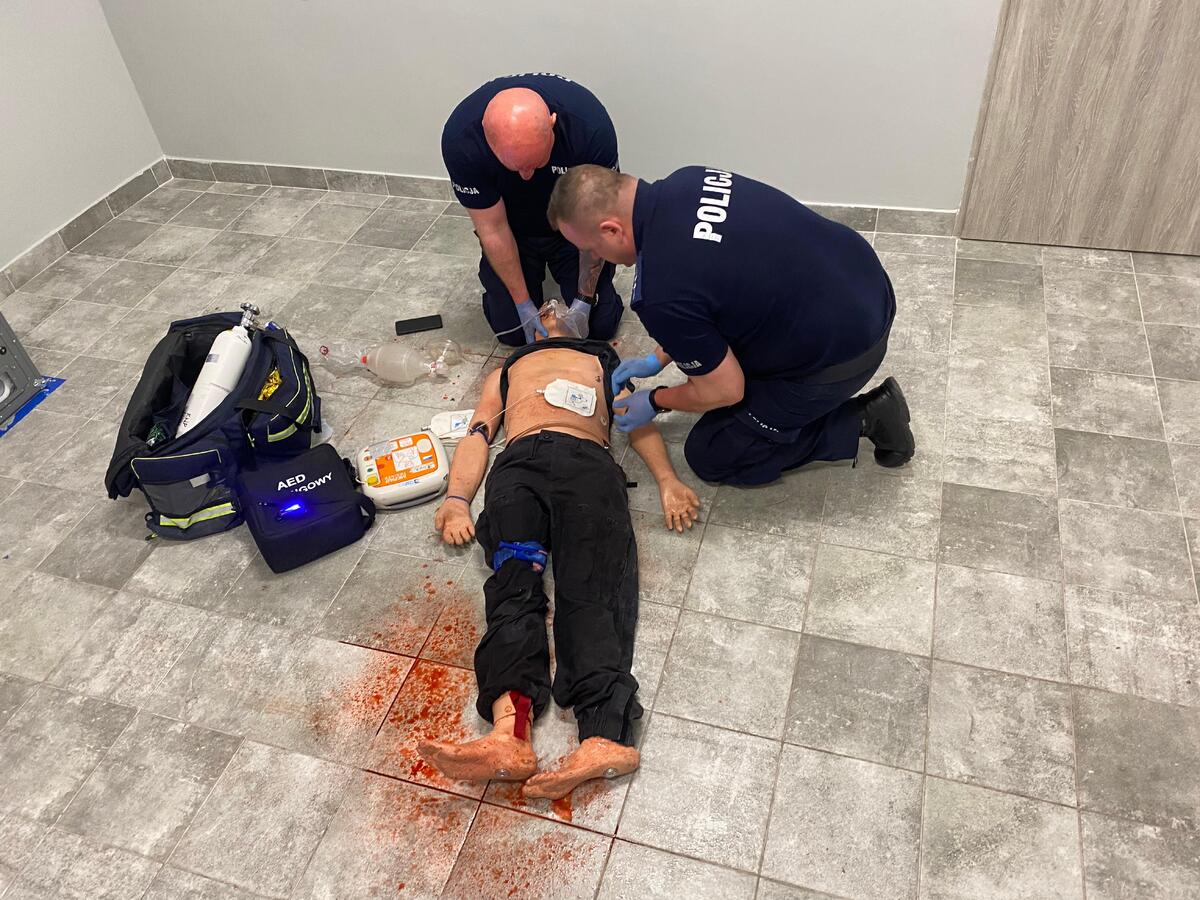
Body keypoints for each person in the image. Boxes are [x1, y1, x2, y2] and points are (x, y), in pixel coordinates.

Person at [417, 303, 699, 800]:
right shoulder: (509, 368)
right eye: (544, 306)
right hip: (518, 466)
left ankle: (603, 735)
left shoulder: (603, 360)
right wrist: (457, 499)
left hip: (587, 463)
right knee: (513, 583)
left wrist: (667, 480)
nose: (551, 308)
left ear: (585, 325)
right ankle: (508, 733)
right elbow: (480, 430)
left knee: (590, 588)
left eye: (562, 305)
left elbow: (636, 420)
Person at [546, 164, 916, 486]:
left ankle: (868, 418)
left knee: (712, 452)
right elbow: (714, 284)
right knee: (724, 335)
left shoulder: (659, 293)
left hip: (844, 354)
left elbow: (726, 390)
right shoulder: (689, 180)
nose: (594, 257)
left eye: (591, 249)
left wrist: (656, 399)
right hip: (866, 283)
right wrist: (658, 358)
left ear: (612, 230)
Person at [441, 74, 624, 347]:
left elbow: (598, 221)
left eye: (535, 164)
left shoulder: (588, 128)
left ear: (552, 124)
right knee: (512, 331)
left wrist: (584, 299)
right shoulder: (462, 141)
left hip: (574, 227)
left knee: (599, 326)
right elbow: (492, 229)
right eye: (515, 168)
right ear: (486, 138)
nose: (526, 176)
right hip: (513, 229)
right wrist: (522, 303)